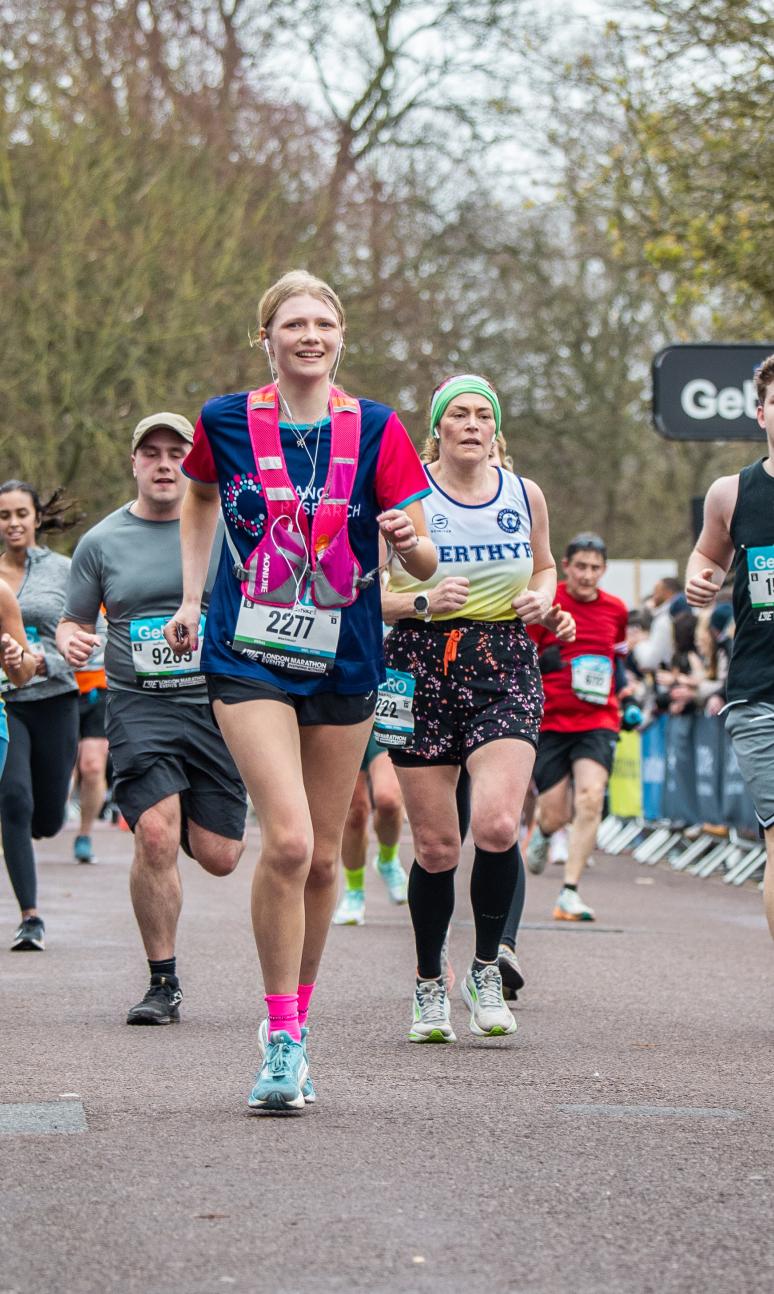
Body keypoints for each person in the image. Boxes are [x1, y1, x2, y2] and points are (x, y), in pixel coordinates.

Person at [165, 270, 435, 1111]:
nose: (309, 335)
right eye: (292, 324)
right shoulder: (223, 420)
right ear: (267, 339)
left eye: (323, 323)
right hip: (246, 650)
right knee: (285, 841)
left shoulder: (379, 428)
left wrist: (407, 541)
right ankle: (279, 1039)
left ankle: (299, 1023)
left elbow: (426, 559)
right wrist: (191, 595)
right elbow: (200, 495)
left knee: (322, 855)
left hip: (345, 653)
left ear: (341, 338)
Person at [381, 373, 557, 1043]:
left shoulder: (524, 494)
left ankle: (486, 968)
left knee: (498, 824)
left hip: (503, 658)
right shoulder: (405, 495)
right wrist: (421, 601)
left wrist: (543, 596)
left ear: (496, 430)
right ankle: (430, 979)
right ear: (438, 429)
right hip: (419, 660)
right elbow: (366, 596)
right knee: (434, 847)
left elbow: (544, 566)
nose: (473, 424)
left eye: (484, 415)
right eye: (459, 414)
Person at [57, 413, 247, 1023]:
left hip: (217, 703)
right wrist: (70, 639)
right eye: (152, 453)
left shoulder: (228, 529)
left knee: (220, 855)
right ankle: (163, 982)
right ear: (134, 463)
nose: (165, 464)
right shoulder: (101, 542)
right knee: (156, 835)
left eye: (177, 453)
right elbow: (74, 619)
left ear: (194, 462)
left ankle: (181, 805)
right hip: (139, 704)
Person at [685, 351, 774, 949]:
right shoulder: (731, 493)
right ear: (761, 413)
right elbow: (707, 556)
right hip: (761, 691)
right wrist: (701, 578)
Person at [524, 533, 629, 923]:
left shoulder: (616, 609)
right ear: (566, 566)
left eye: (595, 568)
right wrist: (544, 663)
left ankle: (569, 891)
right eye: (581, 566)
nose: (587, 575)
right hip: (551, 720)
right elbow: (523, 657)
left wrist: (627, 695)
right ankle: (543, 830)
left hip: (598, 720)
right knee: (556, 814)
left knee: (590, 797)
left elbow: (618, 660)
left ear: (604, 570)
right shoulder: (547, 604)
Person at [0, 482, 81, 951]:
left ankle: (40, 819)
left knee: (46, 818)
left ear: (36, 517)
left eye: (20, 513)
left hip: (54, 700)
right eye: (4, 515)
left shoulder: (64, 571)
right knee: (14, 799)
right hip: (6, 704)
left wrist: (42, 660)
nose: (13, 523)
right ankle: (30, 916)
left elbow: (94, 639)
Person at [332, 733, 408, 925]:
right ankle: (354, 891)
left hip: (383, 717)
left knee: (388, 800)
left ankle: (387, 861)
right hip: (345, 720)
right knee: (355, 812)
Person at [72, 608, 110, 863]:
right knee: (65, 767)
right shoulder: (60, 592)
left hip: (99, 689)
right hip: (61, 689)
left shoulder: (109, 593)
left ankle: (84, 835)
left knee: (93, 766)